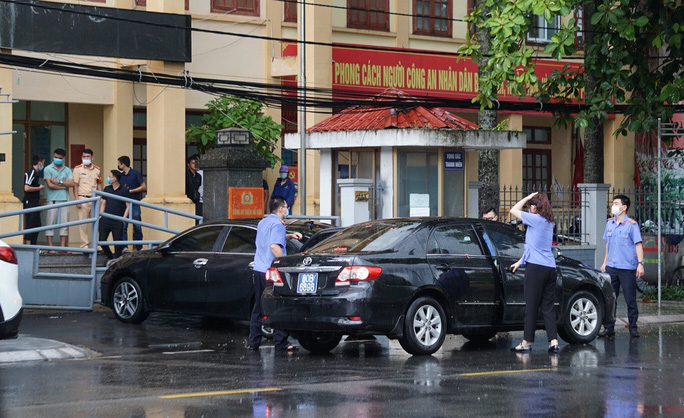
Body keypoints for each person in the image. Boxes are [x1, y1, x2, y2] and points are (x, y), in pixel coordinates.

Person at [249, 196, 302, 351]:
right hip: (272, 271)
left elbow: (269, 240)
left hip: (259, 269)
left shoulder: (263, 222)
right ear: (280, 209)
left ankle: (254, 341)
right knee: (279, 305)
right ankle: (281, 342)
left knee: (259, 306)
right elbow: (274, 246)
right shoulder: (278, 224)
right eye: (286, 207)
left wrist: (289, 236)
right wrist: (284, 263)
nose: (287, 209)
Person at [509, 192, 560, 353]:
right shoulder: (548, 222)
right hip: (550, 267)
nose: (530, 208)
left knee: (531, 305)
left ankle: (526, 342)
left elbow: (513, 210)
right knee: (548, 307)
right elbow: (534, 246)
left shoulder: (535, 219)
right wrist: (520, 261)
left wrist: (526, 197)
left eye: (532, 206)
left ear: (538, 207)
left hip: (536, 268)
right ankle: (553, 341)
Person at [598, 195, 644, 339]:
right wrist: (605, 262)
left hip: (627, 268)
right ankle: (609, 328)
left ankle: (633, 327)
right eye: (613, 203)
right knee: (610, 299)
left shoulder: (631, 225)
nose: (613, 206)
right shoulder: (609, 224)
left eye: (616, 203)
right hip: (611, 267)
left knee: (630, 299)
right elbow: (608, 245)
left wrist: (640, 264)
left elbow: (638, 245)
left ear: (624, 207)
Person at [43, 148, 74, 252]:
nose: (57, 159)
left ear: (63, 158)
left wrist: (59, 181)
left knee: (64, 224)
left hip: (65, 200)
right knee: (50, 224)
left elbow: (72, 183)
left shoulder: (67, 170)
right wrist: (64, 186)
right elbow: (50, 185)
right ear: (53, 156)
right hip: (52, 200)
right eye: (55, 157)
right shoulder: (48, 169)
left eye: (59, 158)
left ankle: (62, 247)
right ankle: (50, 248)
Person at [72, 149, 102, 249]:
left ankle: (97, 244)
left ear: (92, 157)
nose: (86, 158)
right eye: (84, 157)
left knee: (97, 223)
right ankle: (84, 245)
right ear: (81, 157)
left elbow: (99, 184)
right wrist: (77, 200)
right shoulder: (78, 169)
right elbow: (75, 186)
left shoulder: (97, 170)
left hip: (94, 199)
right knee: (83, 224)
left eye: (88, 156)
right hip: (82, 198)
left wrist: (101, 199)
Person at [99, 170, 130, 260]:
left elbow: (128, 206)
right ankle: (110, 257)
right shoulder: (107, 189)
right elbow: (103, 203)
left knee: (117, 243)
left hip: (117, 220)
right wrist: (101, 215)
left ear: (115, 178)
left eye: (110, 176)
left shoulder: (124, 190)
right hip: (105, 219)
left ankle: (116, 260)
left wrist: (123, 219)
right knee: (102, 240)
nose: (108, 178)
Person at [117, 156, 146, 251]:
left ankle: (139, 247)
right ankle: (125, 247)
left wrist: (131, 191)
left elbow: (143, 187)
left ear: (123, 164)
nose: (118, 165)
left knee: (137, 226)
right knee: (123, 226)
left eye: (119, 163)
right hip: (123, 204)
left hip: (134, 203)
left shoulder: (135, 174)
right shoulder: (121, 176)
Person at [23, 154, 45, 245]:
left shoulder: (36, 174)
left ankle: (33, 245)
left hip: (35, 202)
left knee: (37, 224)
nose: (43, 165)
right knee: (30, 223)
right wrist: (39, 188)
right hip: (30, 202)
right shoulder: (31, 172)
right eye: (43, 163)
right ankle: (28, 245)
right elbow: (26, 188)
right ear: (39, 163)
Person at [185, 154, 202, 224]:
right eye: (193, 163)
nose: (195, 165)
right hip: (188, 198)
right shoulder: (186, 175)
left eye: (196, 163)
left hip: (196, 199)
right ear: (188, 164)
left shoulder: (199, 176)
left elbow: (198, 186)